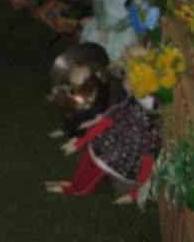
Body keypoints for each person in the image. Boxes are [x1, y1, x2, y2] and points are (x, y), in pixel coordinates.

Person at [44, 78, 162, 206]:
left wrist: (134, 194)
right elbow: (106, 121)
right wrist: (80, 143)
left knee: (90, 174)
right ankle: (74, 184)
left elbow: (147, 159)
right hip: (103, 145)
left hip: (112, 157)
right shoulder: (129, 106)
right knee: (87, 163)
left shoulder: (147, 129)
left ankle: (74, 189)